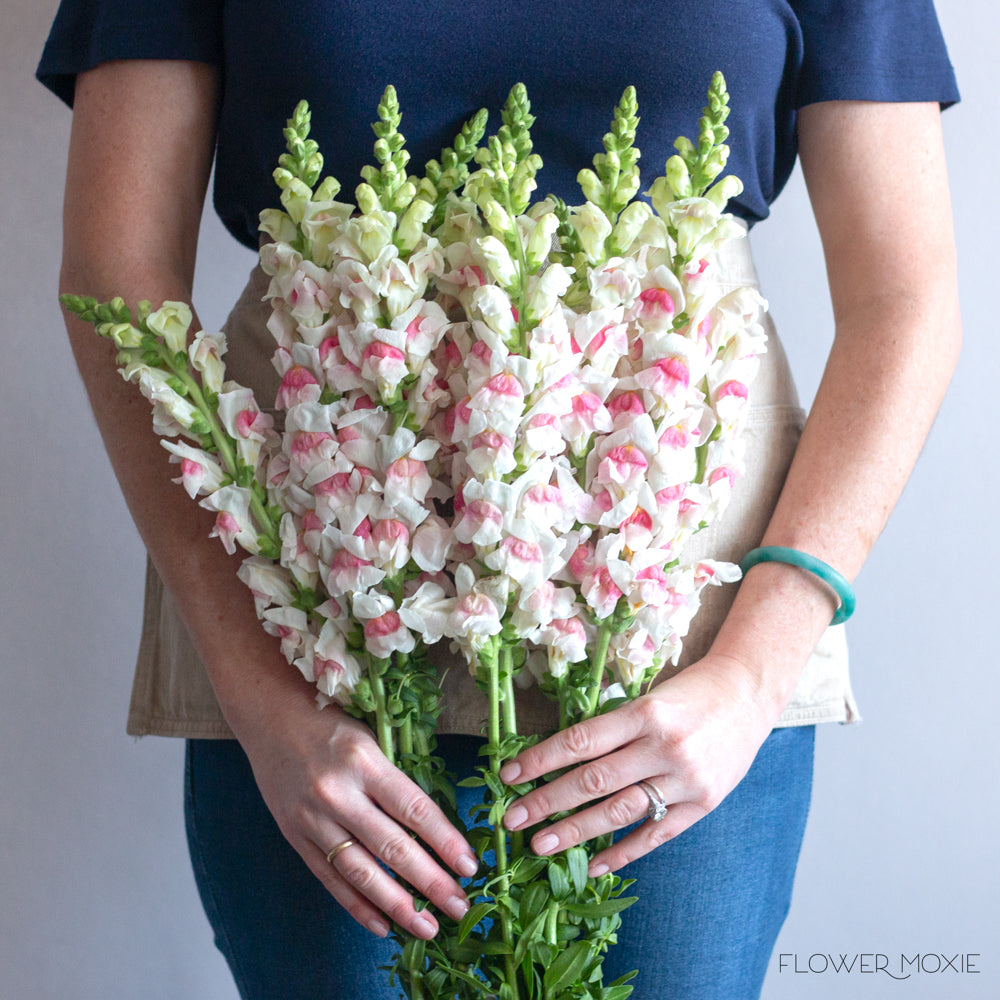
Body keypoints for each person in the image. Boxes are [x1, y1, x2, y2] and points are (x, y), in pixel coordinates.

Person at [38, 2, 961, 997]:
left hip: (681, 647)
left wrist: (752, 670)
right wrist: (255, 688)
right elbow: (117, 279)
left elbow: (903, 299)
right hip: (309, 619)